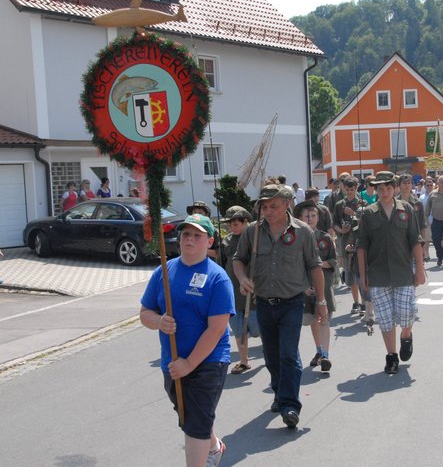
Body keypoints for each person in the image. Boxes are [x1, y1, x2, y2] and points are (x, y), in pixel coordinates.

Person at [139, 213, 234, 467]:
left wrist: (189, 364)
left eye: (197, 235)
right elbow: (145, 313)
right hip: (172, 361)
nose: (190, 239)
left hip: (208, 361)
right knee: (189, 415)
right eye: (186, 234)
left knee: (195, 425)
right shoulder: (164, 272)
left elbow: (216, 329)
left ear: (210, 241)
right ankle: (214, 446)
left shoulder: (218, 278)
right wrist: (159, 321)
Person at [233, 184, 325, 429]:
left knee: (287, 353)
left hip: (292, 303)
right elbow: (238, 260)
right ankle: (279, 392)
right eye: (264, 206)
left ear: (287, 204)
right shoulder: (251, 232)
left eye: (274, 205)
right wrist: (242, 279)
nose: (268, 210)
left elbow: (314, 266)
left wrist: (322, 301)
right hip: (263, 303)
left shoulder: (303, 232)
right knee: (271, 356)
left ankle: (290, 405)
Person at [356, 171, 425, 375]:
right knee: (385, 319)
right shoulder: (368, 213)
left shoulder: (407, 209)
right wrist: (363, 276)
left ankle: (406, 336)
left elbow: (415, 240)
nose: (384, 192)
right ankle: (391, 356)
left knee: (407, 313)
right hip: (377, 275)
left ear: (394, 187)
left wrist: (420, 269)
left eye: (388, 188)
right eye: (380, 188)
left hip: (403, 271)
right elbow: (361, 247)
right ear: (375, 190)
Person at [294, 200, 337, 372]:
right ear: (300, 218)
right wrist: (302, 285)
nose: (310, 219)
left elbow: (334, 261)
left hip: (324, 286)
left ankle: (326, 355)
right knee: (313, 320)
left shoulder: (325, 238)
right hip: (306, 288)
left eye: (313, 216)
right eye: (306, 216)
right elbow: (295, 266)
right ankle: (319, 350)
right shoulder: (297, 238)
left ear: (318, 218)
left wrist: (320, 264)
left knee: (324, 319)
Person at [219, 206, 258, 374]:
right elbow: (220, 265)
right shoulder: (226, 241)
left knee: (257, 328)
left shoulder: (254, 239)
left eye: (236, 223)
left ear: (245, 222)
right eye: (230, 224)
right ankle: (244, 361)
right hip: (233, 293)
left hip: (253, 291)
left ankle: (271, 354)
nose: (232, 227)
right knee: (238, 329)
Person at [333, 177, 363, 313]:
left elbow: (367, 223)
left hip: (360, 243)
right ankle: (356, 302)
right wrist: (341, 230)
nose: (350, 192)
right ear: (344, 189)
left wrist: (354, 214)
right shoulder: (339, 204)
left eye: (352, 189)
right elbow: (334, 223)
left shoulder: (362, 203)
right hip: (345, 242)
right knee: (350, 275)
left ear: (356, 188)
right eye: (348, 189)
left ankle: (364, 302)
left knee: (361, 274)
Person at [419, 177, 435, 260]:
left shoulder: (437, 195)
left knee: (439, 239)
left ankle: (441, 254)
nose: (429, 186)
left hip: (437, 220)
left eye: (431, 185)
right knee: (427, 239)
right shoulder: (421, 197)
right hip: (426, 220)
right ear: (424, 186)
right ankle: (426, 255)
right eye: (427, 185)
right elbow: (420, 210)